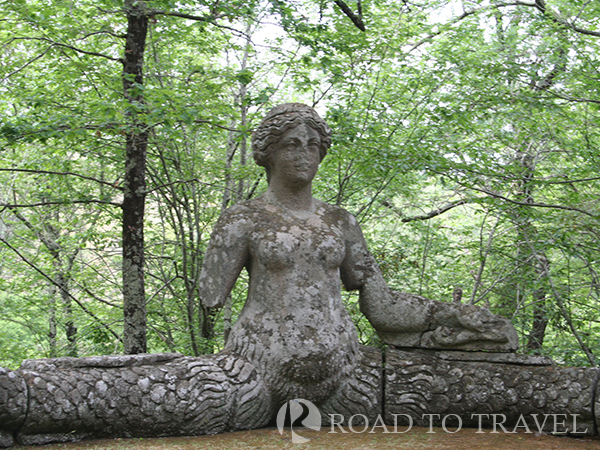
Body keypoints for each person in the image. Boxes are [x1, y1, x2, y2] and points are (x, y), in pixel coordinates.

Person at [198, 103, 381, 407]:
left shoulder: (340, 220)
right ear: (268, 152)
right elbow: (211, 294)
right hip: (255, 368)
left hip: (342, 368)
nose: (304, 154)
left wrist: (451, 321)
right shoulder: (243, 218)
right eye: (291, 145)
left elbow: (380, 303)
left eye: (313, 145)